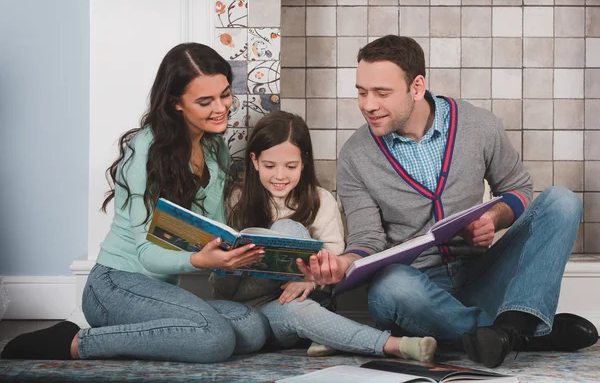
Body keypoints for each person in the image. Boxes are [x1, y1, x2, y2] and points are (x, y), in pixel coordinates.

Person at [298, 35, 598, 368]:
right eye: (361, 91)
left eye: (382, 93)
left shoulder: (478, 125)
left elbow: (518, 189)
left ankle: (499, 333)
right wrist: (343, 264)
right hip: (417, 292)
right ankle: (519, 332)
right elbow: (368, 240)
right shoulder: (355, 155)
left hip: (481, 272)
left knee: (562, 201)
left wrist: (494, 219)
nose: (368, 104)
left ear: (416, 86)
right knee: (389, 287)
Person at [1, 43, 269, 363]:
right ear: (176, 103)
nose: (221, 108)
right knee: (215, 338)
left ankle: (180, 332)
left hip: (161, 290)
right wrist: (201, 261)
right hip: (114, 284)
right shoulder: (145, 150)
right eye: (204, 101)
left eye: (224, 94)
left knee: (252, 328)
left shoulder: (215, 148)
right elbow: (147, 254)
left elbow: (211, 232)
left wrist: (242, 253)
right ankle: (73, 341)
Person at [210, 111, 438, 362]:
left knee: (289, 239)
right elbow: (220, 286)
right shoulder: (237, 199)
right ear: (254, 161)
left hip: (292, 301)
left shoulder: (321, 201)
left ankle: (397, 345)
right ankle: (323, 333)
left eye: (291, 166)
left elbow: (333, 264)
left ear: (304, 162)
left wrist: (311, 281)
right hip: (244, 303)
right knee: (282, 242)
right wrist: (225, 262)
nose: (279, 176)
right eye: (269, 166)